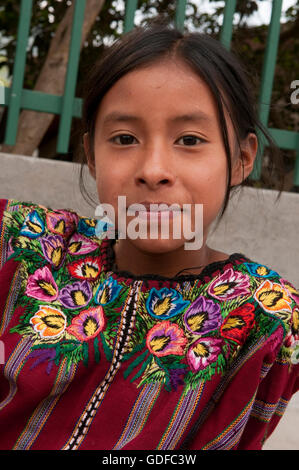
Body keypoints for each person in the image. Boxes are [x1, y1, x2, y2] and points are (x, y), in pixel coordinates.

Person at [0, 22, 298, 451]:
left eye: (189, 139)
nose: (153, 169)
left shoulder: (265, 318)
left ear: (241, 159)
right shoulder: (27, 249)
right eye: (124, 138)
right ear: (92, 155)